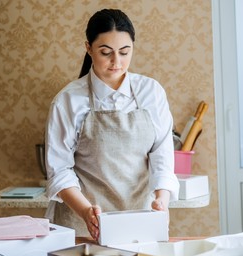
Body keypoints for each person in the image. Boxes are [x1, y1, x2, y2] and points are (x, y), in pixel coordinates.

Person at [45, 8, 179, 240]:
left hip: (138, 220)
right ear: (88, 48)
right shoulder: (67, 100)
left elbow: (162, 154)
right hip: (80, 224)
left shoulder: (151, 92)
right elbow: (59, 170)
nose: (117, 62)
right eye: (106, 52)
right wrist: (87, 212)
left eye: (125, 52)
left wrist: (162, 200)